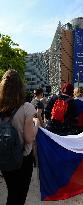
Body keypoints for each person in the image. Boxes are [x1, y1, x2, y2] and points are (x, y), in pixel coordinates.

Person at [0, 69, 40, 205]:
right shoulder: (27, 108)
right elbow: (29, 138)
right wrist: (37, 124)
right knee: (19, 195)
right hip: (22, 159)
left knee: (11, 191)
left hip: (4, 157)